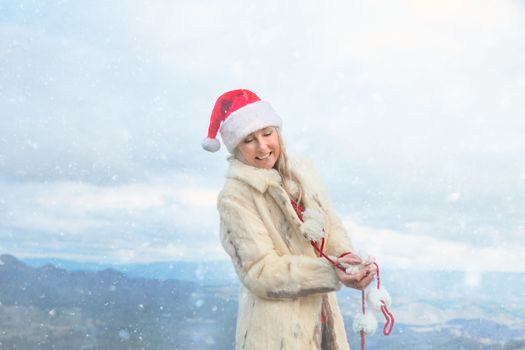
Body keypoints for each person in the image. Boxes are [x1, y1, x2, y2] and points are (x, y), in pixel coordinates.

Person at [202, 89, 376, 349]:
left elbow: (330, 224)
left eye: (267, 133)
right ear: (236, 147)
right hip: (275, 335)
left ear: (278, 132)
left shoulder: (303, 172)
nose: (262, 147)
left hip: (324, 321)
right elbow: (260, 272)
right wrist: (332, 272)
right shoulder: (234, 197)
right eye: (249, 139)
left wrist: (349, 261)